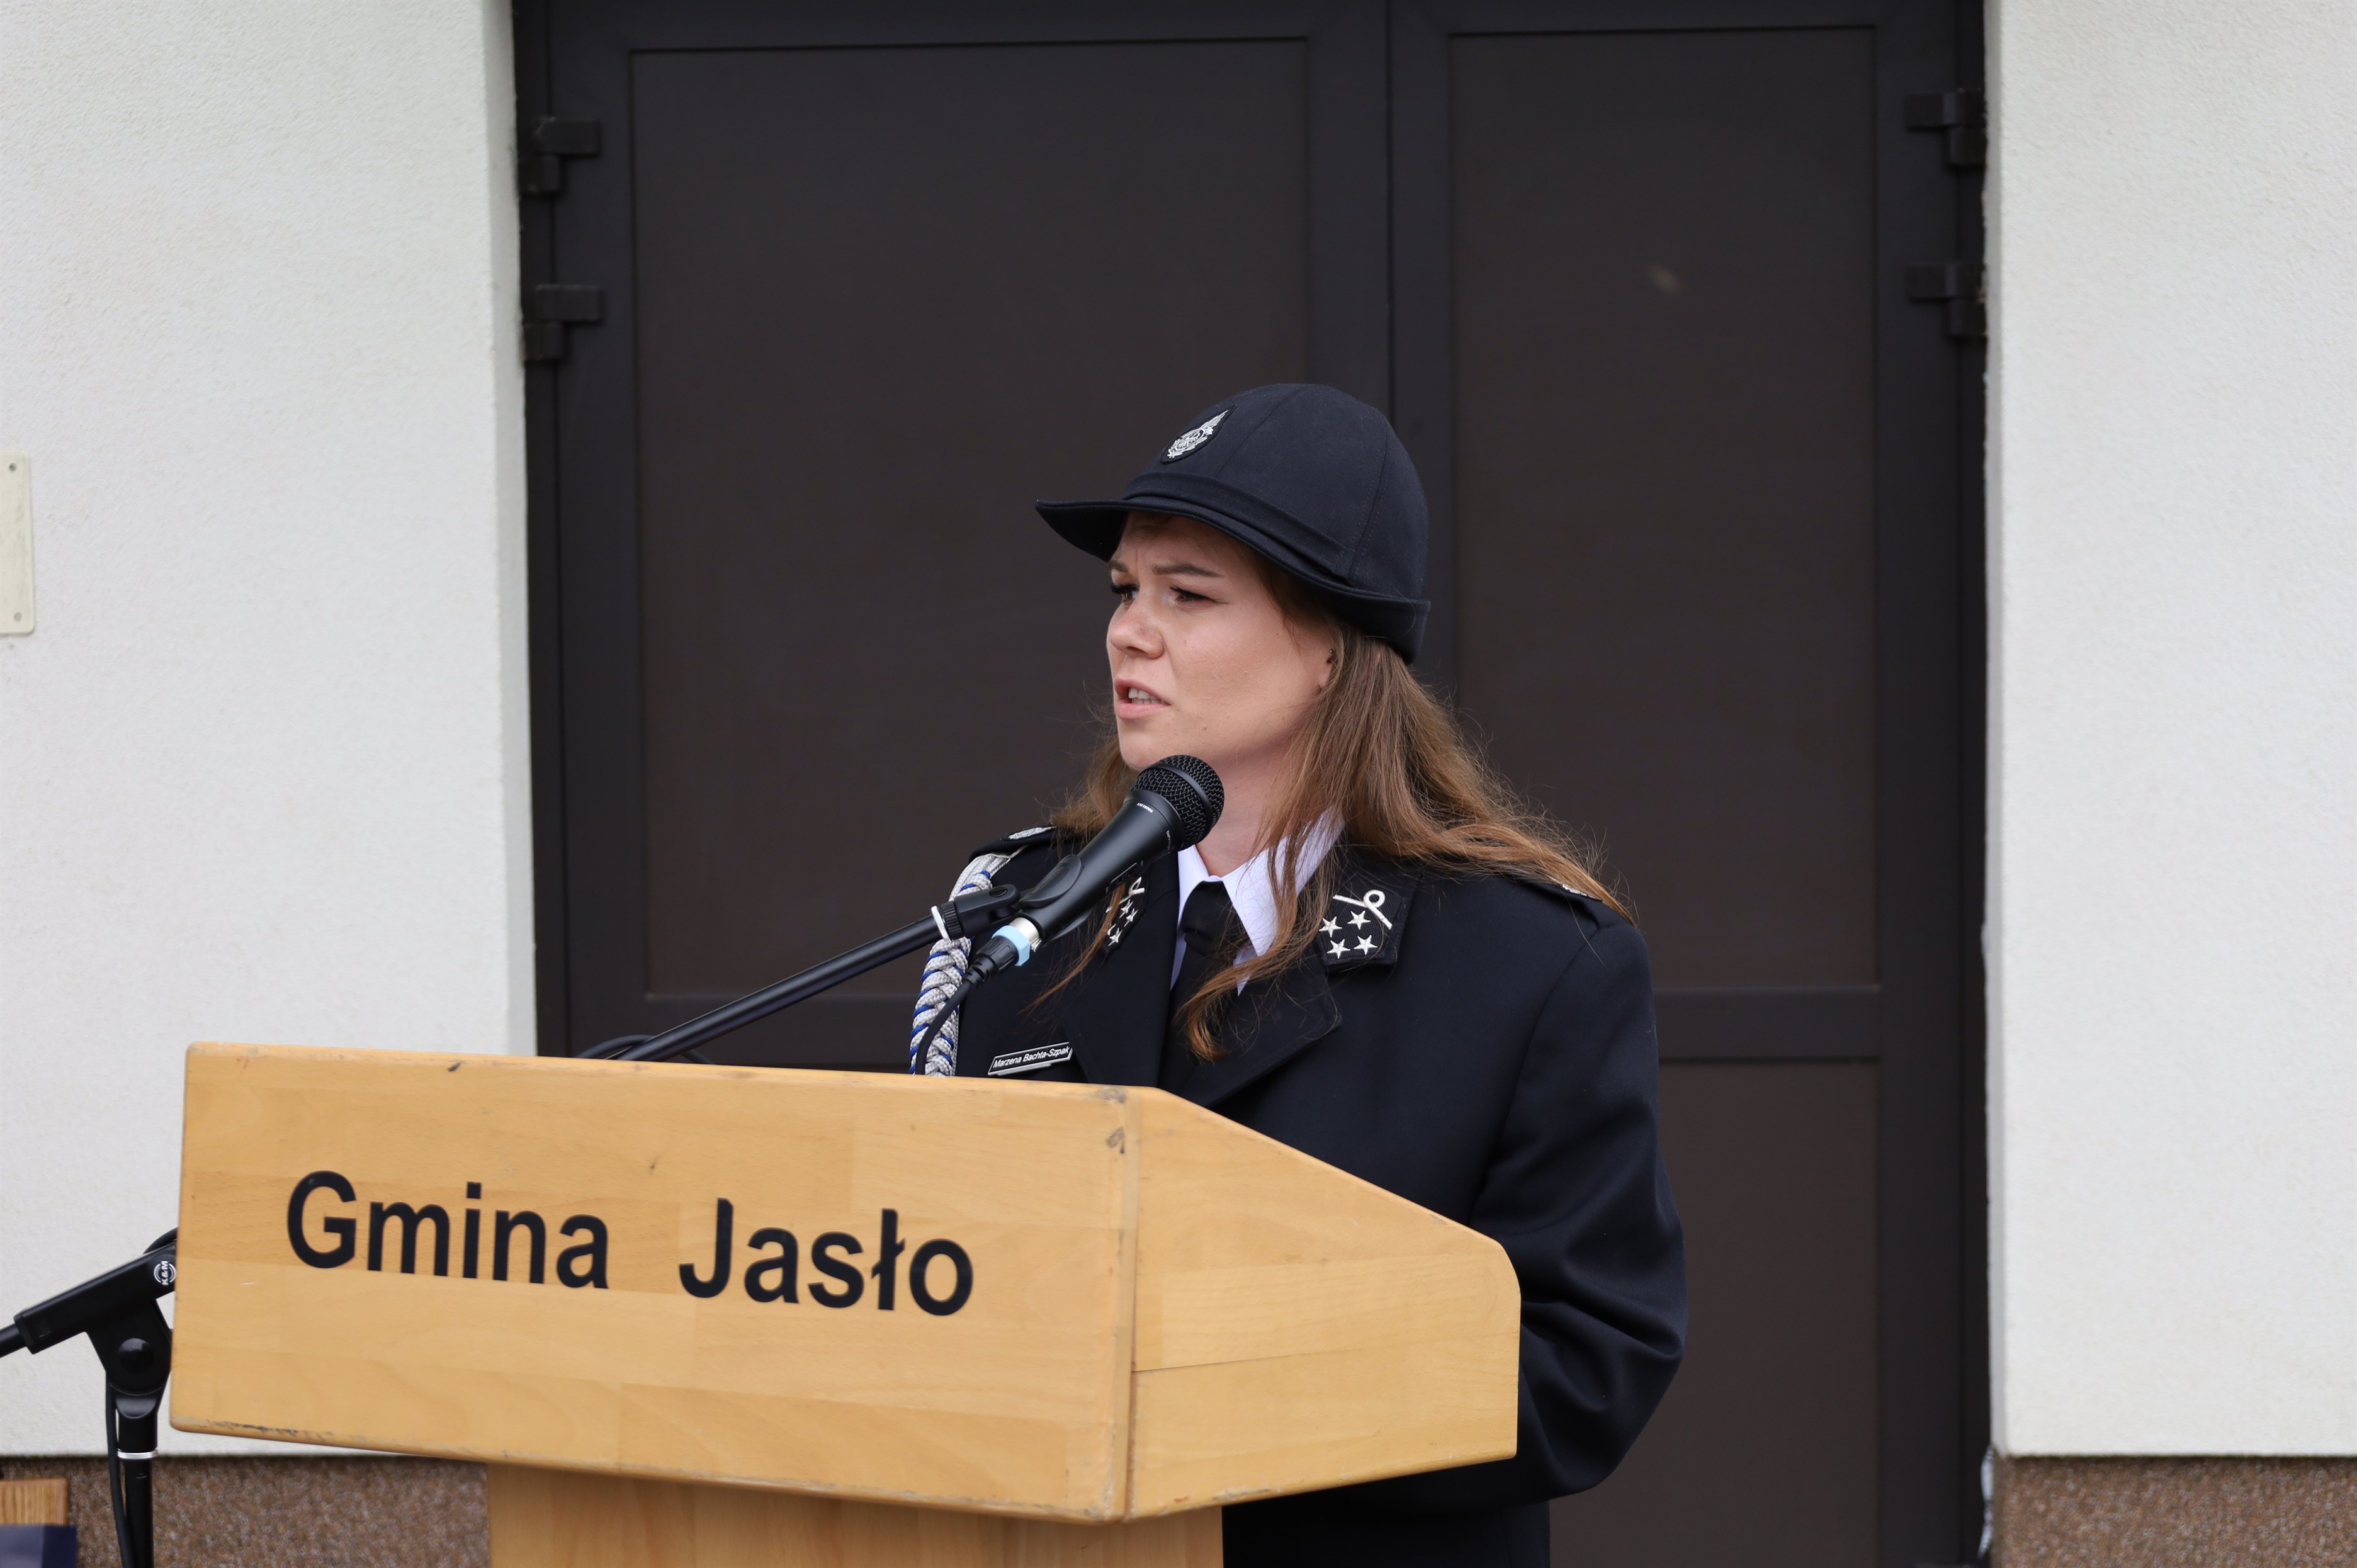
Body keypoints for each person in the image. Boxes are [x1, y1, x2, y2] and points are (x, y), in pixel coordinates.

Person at [911, 383, 1685, 1568]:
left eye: (1189, 595)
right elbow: (930, 1273)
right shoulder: (1019, 915)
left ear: (1331, 645)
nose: (1130, 632)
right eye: (1125, 590)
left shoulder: (1531, 961)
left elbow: (1587, 1368)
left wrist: (1221, 1378)